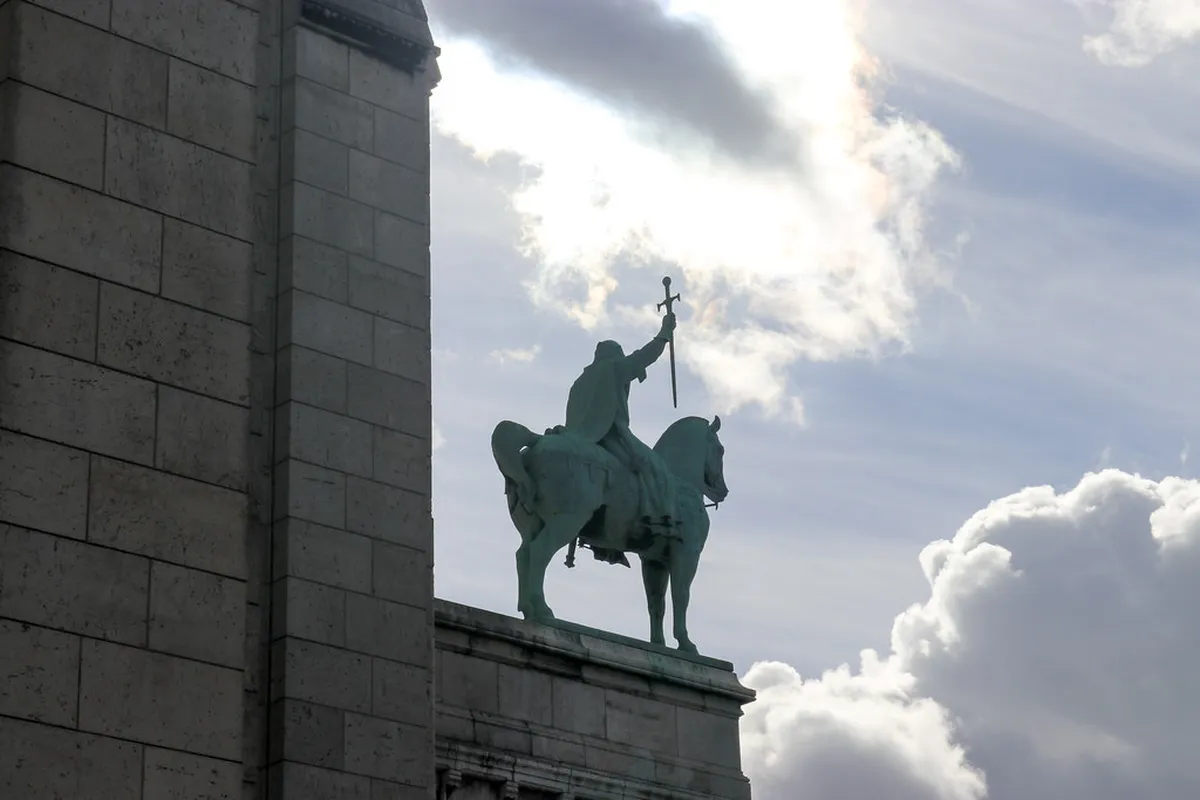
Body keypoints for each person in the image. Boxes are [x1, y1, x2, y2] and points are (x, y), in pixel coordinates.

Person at [562, 313, 678, 537]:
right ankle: (655, 518)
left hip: (575, 436)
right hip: (610, 435)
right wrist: (665, 332)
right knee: (649, 464)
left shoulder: (580, 381)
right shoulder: (613, 367)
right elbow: (644, 356)